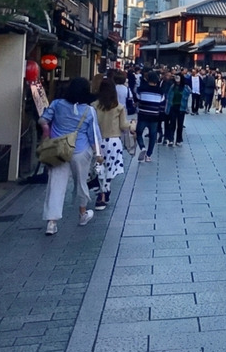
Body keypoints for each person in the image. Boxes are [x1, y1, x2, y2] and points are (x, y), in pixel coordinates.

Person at [39, 77, 103, 235]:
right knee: (81, 182)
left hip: (58, 149)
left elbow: (43, 120)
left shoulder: (57, 104)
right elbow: (93, 135)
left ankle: (51, 222)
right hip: (80, 151)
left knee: (55, 184)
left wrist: (47, 132)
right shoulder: (89, 110)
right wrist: (98, 153)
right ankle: (82, 214)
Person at [94, 78, 130, 210]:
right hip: (113, 142)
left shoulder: (93, 106)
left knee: (98, 168)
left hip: (97, 142)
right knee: (110, 168)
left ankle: (101, 194)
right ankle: (105, 191)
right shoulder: (118, 107)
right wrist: (132, 125)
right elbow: (123, 125)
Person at [134, 70, 166, 162]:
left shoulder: (141, 89)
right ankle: (148, 155)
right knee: (153, 135)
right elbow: (162, 104)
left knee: (139, 132)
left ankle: (142, 147)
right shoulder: (160, 91)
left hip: (143, 115)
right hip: (154, 116)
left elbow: (137, 99)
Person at [163, 70, 188, 146]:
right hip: (173, 107)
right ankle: (171, 139)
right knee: (172, 123)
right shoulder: (172, 87)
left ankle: (179, 139)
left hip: (181, 108)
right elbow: (169, 98)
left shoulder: (185, 87)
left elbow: (188, 93)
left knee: (180, 125)